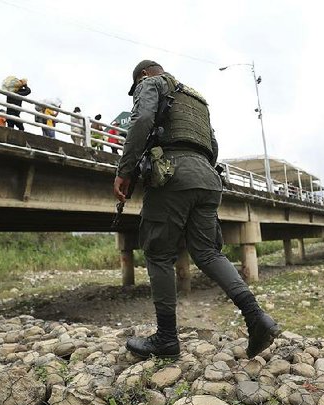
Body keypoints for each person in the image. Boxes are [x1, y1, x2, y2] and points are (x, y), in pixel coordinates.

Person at [113, 60, 280, 359]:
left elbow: (141, 121)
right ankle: (256, 318)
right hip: (208, 178)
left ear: (142, 76)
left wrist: (124, 170)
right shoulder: (195, 99)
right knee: (207, 253)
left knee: (159, 253)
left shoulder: (151, 83)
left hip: (173, 176)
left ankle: (166, 338)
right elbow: (212, 145)